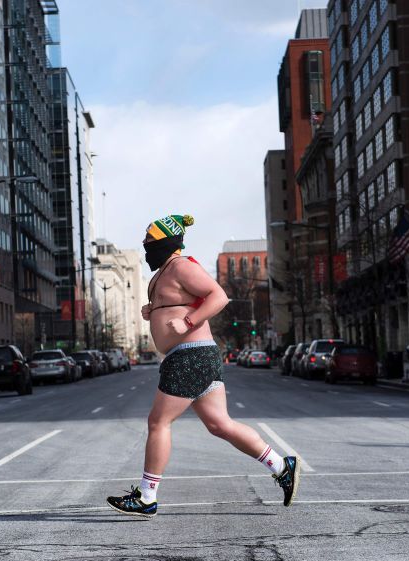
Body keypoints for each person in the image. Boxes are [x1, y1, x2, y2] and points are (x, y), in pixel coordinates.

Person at [106, 214, 300, 518]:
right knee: (219, 424)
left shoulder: (182, 266)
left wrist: (187, 321)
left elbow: (218, 296)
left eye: (150, 242)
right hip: (192, 355)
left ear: (166, 241)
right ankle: (281, 466)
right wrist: (153, 309)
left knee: (158, 422)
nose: (145, 247)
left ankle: (146, 497)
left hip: (190, 355)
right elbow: (178, 300)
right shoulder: (164, 272)